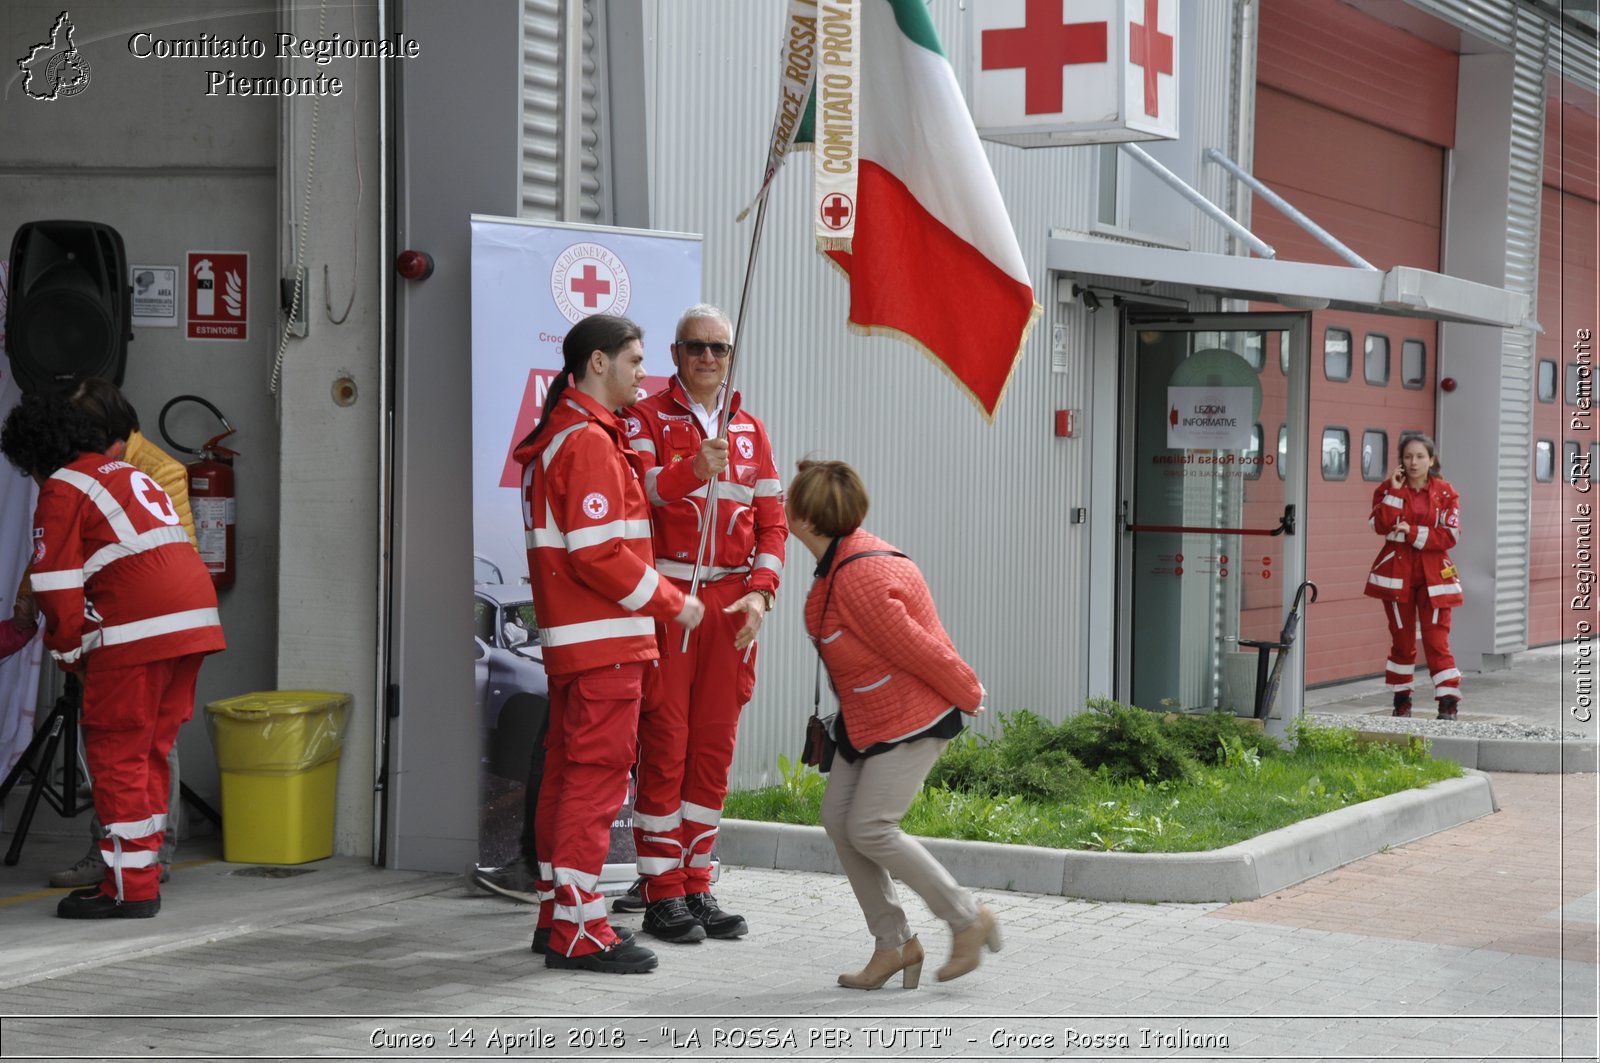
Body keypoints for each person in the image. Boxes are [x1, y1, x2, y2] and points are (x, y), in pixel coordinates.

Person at [511, 313, 705, 974]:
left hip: (579, 645)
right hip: (606, 648)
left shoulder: (564, 436)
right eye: (634, 360)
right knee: (593, 784)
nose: (643, 373)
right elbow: (599, 552)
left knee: (568, 779)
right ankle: (580, 929)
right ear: (598, 362)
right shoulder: (588, 441)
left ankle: (558, 913)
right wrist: (676, 602)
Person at [0, 393, 224, 918]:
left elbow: (55, 587)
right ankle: (139, 877)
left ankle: (129, 890)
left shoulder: (62, 486)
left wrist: (68, 649)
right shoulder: (127, 473)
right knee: (149, 754)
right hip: (193, 625)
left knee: (118, 755)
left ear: (34, 455)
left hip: (138, 628)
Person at [787, 459, 1000, 989]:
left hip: (910, 717)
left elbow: (919, 648)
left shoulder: (860, 575)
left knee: (870, 827)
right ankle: (895, 944)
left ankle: (966, 918)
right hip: (867, 722)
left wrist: (967, 691)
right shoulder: (841, 561)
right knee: (840, 819)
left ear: (806, 520)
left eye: (790, 501)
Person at [618, 304, 786, 944]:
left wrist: (762, 596)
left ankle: (696, 883)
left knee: (713, 748)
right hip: (667, 597)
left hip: (731, 605)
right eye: (697, 347)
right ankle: (661, 891)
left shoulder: (752, 431)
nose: (709, 358)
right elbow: (640, 493)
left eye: (720, 348)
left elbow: (772, 523)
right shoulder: (643, 418)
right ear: (675, 353)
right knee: (666, 743)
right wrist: (694, 470)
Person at [42, 377, 200, 890]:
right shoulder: (108, 468)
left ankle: (142, 865)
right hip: (148, 621)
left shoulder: (155, 470)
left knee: (129, 748)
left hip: (138, 626)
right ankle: (133, 866)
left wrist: (67, 647)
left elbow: (165, 554)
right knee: (139, 747)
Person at [1364, 432, 1464, 719]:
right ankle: (1402, 699)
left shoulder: (1446, 492)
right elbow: (1381, 525)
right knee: (1402, 641)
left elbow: (1450, 535)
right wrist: (1395, 492)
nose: (1414, 462)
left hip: (1435, 577)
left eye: (1420, 456)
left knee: (1436, 641)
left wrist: (1412, 531)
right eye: (1408, 457)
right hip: (1396, 575)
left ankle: (1448, 701)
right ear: (1401, 461)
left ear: (1431, 460)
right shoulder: (1387, 489)